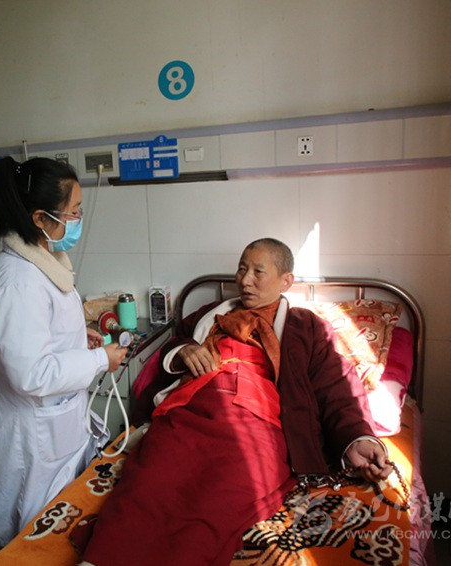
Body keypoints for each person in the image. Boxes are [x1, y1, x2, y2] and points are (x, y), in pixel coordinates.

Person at [82, 238, 392, 565]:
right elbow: (176, 341)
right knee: (151, 478)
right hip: (193, 407)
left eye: (258, 272)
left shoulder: (306, 327)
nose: (245, 280)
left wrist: (357, 437)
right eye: (242, 269)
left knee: (221, 496)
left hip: (258, 420)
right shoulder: (210, 315)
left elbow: (336, 384)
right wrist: (185, 350)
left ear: (286, 281)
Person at [0, 156, 129, 546]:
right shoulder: (19, 280)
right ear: (39, 218)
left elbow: (41, 335)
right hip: (33, 432)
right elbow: (31, 373)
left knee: (58, 521)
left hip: (57, 421)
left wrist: (78, 336)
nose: (79, 218)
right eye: (74, 211)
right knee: (31, 531)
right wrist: (100, 359)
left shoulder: (43, 261)